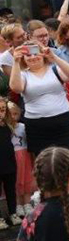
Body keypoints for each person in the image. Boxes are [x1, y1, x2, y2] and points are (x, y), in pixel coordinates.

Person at [9, 42, 69, 158]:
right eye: (28, 55)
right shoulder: (23, 74)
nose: (33, 57)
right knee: (43, 162)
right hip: (37, 126)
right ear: (23, 58)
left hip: (62, 121)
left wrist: (54, 57)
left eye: (36, 53)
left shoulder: (54, 69)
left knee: (67, 158)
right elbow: (16, 88)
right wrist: (15, 62)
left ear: (42, 54)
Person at [0, 98, 15, 229]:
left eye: (3, 110)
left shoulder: (7, 126)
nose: (1, 113)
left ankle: (13, 213)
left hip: (9, 163)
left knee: (11, 189)